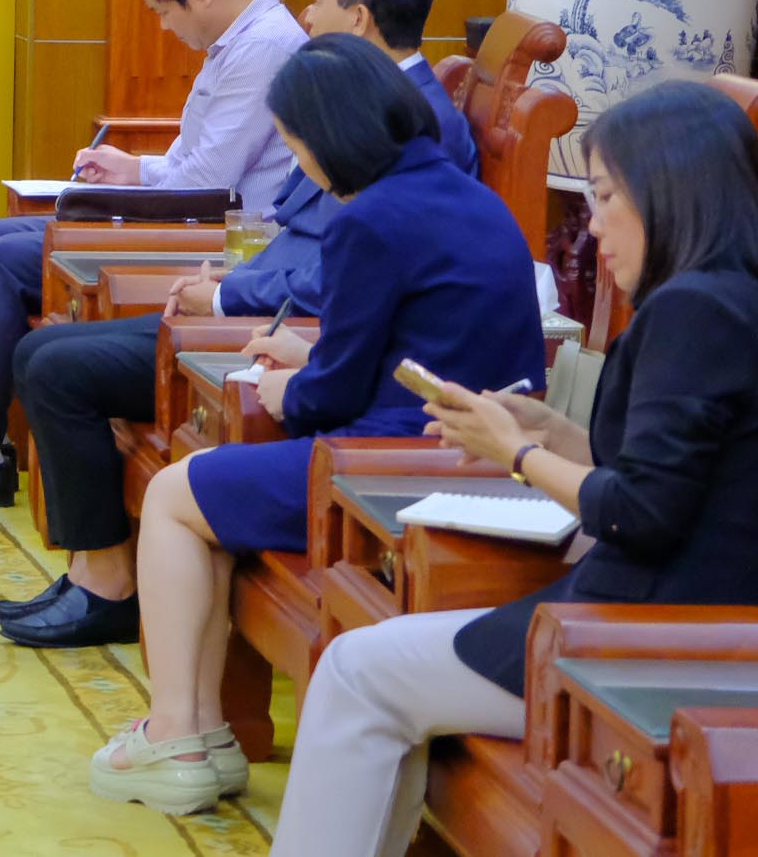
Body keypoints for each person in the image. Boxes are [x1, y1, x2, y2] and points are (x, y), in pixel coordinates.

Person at [264, 78, 758, 855]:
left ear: (667, 191)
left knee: (357, 671)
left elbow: (642, 509)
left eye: (602, 197)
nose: (591, 227)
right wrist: (554, 432)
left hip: (646, 631)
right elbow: (682, 477)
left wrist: (517, 455)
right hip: (680, 610)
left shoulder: (693, 307)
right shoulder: (731, 297)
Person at [87, 34, 543, 816]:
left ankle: (174, 731)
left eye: (296, 143)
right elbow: (415, 340)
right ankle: (203, 734)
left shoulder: (371, 216)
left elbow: (330, 398)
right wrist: (313, 352)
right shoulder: (470, 196)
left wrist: (287, 382)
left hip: (388, 462)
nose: (300, 164)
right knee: (210, 501)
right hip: (476, 456)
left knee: (172, 493)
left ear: (329, 133)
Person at [0, 0, 475, 648]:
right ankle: (98, 572)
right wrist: (227, 280)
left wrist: (226, 300)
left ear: (361, 16)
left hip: (294, 334)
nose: (305, 18)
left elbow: (348, 270)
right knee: (51, 352)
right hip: (259, 299)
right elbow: (295, 227)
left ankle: (107, 587)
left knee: (60, 366)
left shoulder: (417, 122)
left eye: (316, 2)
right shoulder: (360, 97)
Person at [0, 0, 305, 508]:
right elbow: (194, 164)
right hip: (189, 211)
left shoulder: (263, 49)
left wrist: (136, 189)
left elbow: (206, 183)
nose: (165, 26)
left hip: (218, 237)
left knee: (3, 260)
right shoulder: (236, 38)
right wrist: (135, 170)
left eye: (164, 12)